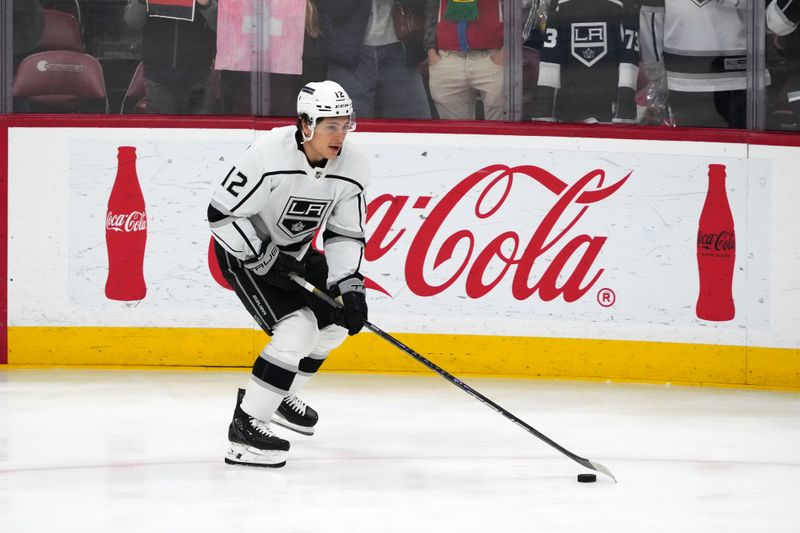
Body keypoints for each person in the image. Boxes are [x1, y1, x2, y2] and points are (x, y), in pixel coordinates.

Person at [208, 80, 370, 468]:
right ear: (305, 124)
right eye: (330, 125)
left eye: (345, 124)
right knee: (297, 329)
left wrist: (349, 287)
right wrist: (262, 257)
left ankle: (276, 396)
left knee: (334, 322)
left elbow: (344, 232)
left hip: (294, 254)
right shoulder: (267, 154)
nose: (340, 134)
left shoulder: (355, 164)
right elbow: (220, 216)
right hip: (243, 252)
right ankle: (245, 429)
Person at [639, 0, 748, 128]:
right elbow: (651, 20)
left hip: (737, 78)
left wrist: (656, 75)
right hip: (686, 80)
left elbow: (762, 10)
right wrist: (657, 77)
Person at [528, 0, 639, 124]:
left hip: (590, 115)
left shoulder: (622, 5)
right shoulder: (560, 5)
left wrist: (544, 114)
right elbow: (550, 60)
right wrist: (624, 115)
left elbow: (628, 60)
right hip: (578, 115)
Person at [316, 0, 431, 119]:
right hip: (349, 54)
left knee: (416, 129)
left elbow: (425, 4)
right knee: (348, 129)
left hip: (402, 51)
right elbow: (329, 8)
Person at [124, 0, 218, 114]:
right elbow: (132, 22)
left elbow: (222, 25)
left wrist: (207, 5)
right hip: (158, 75)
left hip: (198, 73)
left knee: (200, 129)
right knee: (162, 129)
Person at [423, 0, 505, 120]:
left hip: (493, 56)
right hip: (447, 58)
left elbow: (525, 7)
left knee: (501, 134)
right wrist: (430, 49)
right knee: (455, 134)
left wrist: (507, 50)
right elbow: (430, 5)